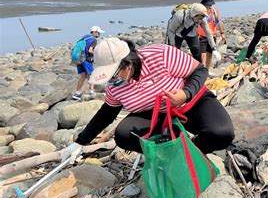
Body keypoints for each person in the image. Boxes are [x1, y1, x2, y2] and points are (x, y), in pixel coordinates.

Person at [62, 37, 235, 162]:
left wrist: (185, 93)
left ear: (128, 63)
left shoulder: (159, 55)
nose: (112, 81)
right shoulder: (115, 86)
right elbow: (106, 113)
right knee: (123, 135)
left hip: (191, 102)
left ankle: (192, 152)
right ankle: (170, 155)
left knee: (221, 133)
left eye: (114, 75)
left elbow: (200, 71)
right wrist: (79, 143)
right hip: (156, 115)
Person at [72, 26, 104, 100]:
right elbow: (90, 50)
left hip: (79, 60)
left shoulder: (83, 38)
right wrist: (96, 54)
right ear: (95, 32)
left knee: (83, 76)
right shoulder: (93, 40)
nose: (99, 34)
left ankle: (77, 93)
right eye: (98, 33)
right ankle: (91, 92)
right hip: (87, 60)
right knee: (91, 75)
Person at [197, 0, 226, 70]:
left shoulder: (214, 11)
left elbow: (218, 22)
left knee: (210, 54)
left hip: (212, 35)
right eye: (207, 4)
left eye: (210, 4)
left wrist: (222, 33)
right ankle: (202, 71)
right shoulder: (199, 10)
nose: (209, 6)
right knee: (203, 55)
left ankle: (207, 70)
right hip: (201, 35)